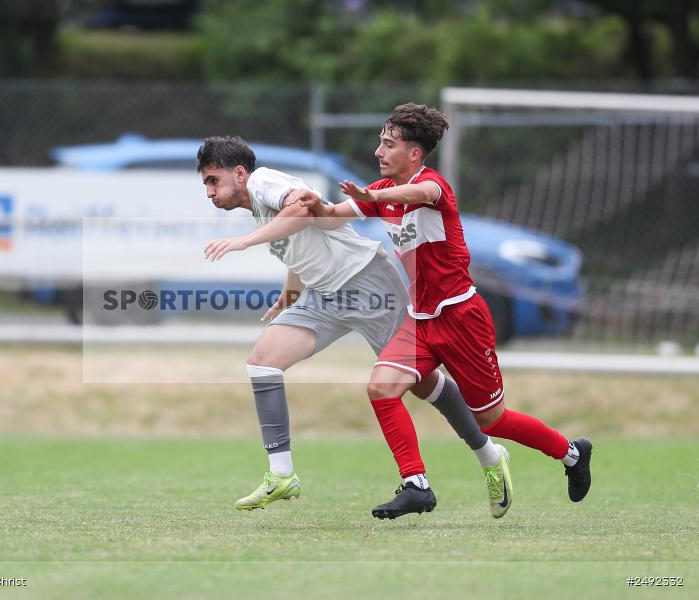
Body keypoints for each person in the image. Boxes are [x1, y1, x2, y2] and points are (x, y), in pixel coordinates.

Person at [289, 103, 593, 515]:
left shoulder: (433, 187)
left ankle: (571, 453)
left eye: (388, 144)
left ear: (414, 153)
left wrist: (373, 194)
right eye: (380, 142)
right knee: (381, 389)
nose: (379, 151)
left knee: (492, 421)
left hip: (462, 319)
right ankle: (417, 484)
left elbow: (422, 193)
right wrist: (314, 204)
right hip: (421, 322)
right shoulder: (380, 193)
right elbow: (330, 218)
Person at [197, 136, 513, 518]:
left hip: (367, 283)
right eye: (206, 185)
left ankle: (490, 456)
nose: (210, 192)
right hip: (324, 296)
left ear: (240, 173)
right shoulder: (260, 205)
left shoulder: (263, 179)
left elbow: (302, 210)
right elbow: (299, 240)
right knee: (263, 362)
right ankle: (281, 475)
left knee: (423, 384)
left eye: (213, 180)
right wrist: (290, 292)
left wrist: (243, 242)